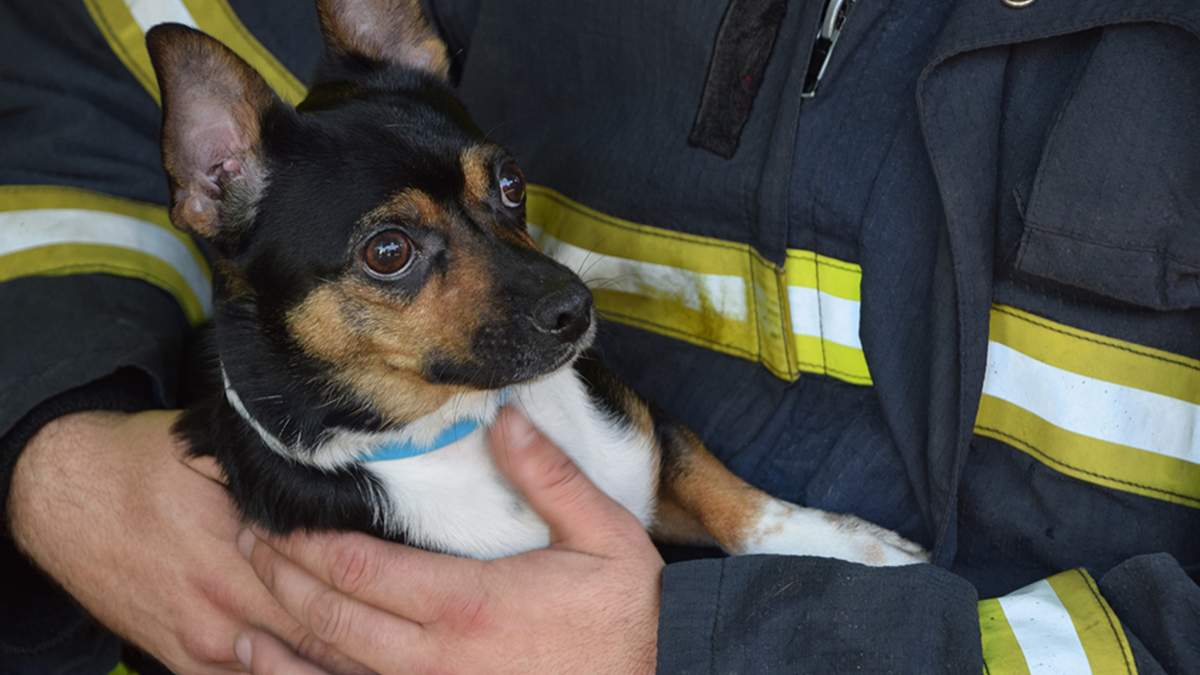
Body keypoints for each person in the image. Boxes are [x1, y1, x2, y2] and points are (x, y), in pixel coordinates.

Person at [4, 0, 1199, 673]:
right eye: (394, 255)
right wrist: (49, 448)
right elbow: (98, 55)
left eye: (501, 199)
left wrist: (694, 649)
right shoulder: (277, 143)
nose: (544, 290)